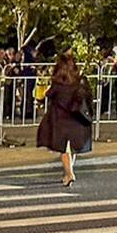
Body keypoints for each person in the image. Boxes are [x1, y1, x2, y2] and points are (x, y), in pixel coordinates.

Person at [36, 52, 93, 187]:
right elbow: (88, 97)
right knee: (71, 149)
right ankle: (69, 171)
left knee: (64, 149)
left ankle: (69, 173)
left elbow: (48, 95)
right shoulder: (80, 81)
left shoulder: (58, 84)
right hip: (77, 119)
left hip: (61, 120)